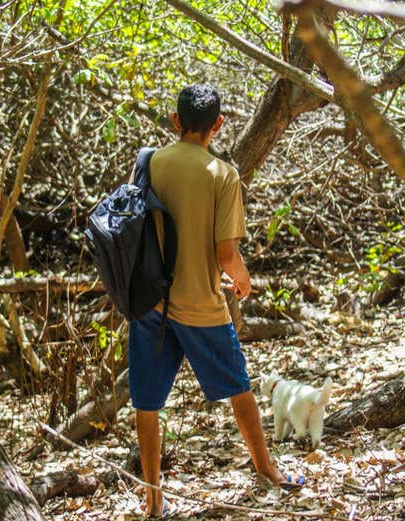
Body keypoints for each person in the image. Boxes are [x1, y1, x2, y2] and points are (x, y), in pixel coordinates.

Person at [128, 84, 303, 517]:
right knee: (239, 389)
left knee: (146, 403)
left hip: (151, 303)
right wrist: (243, 284)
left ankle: (153, 497)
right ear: (218, 125)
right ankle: (267, 470)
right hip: (202, 306)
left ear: (175, 121)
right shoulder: (223, 174)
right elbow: (226, 255)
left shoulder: (151, 162)